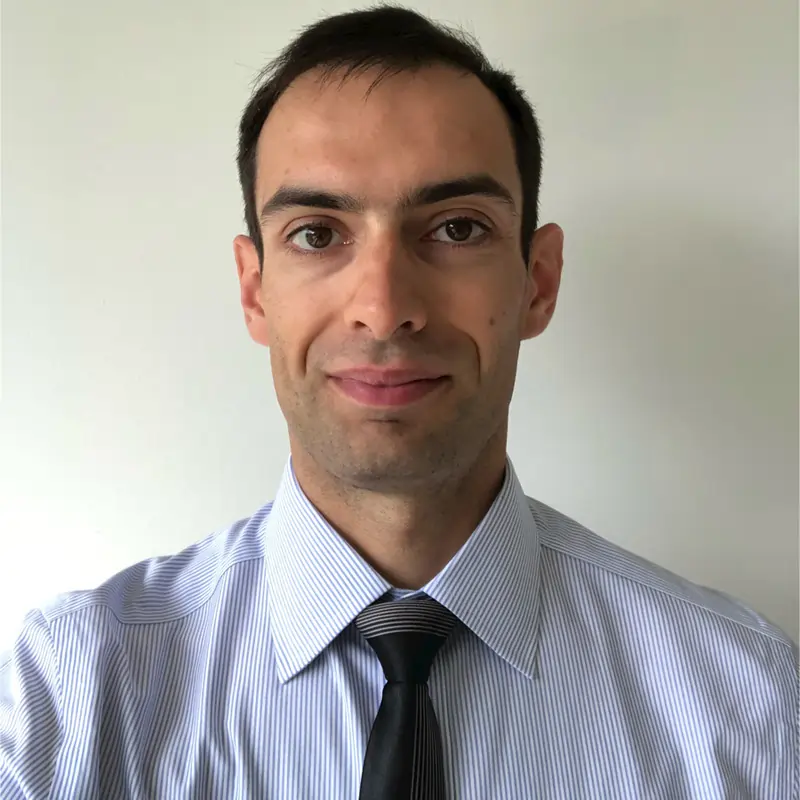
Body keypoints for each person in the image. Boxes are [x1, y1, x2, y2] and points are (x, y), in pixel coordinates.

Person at [1, 5, 797, 799]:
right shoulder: (73, 698)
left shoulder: (749, 702)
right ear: (254, 290)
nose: (384, 310)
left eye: (457, 229)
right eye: (318, 234)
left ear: (538, 281)